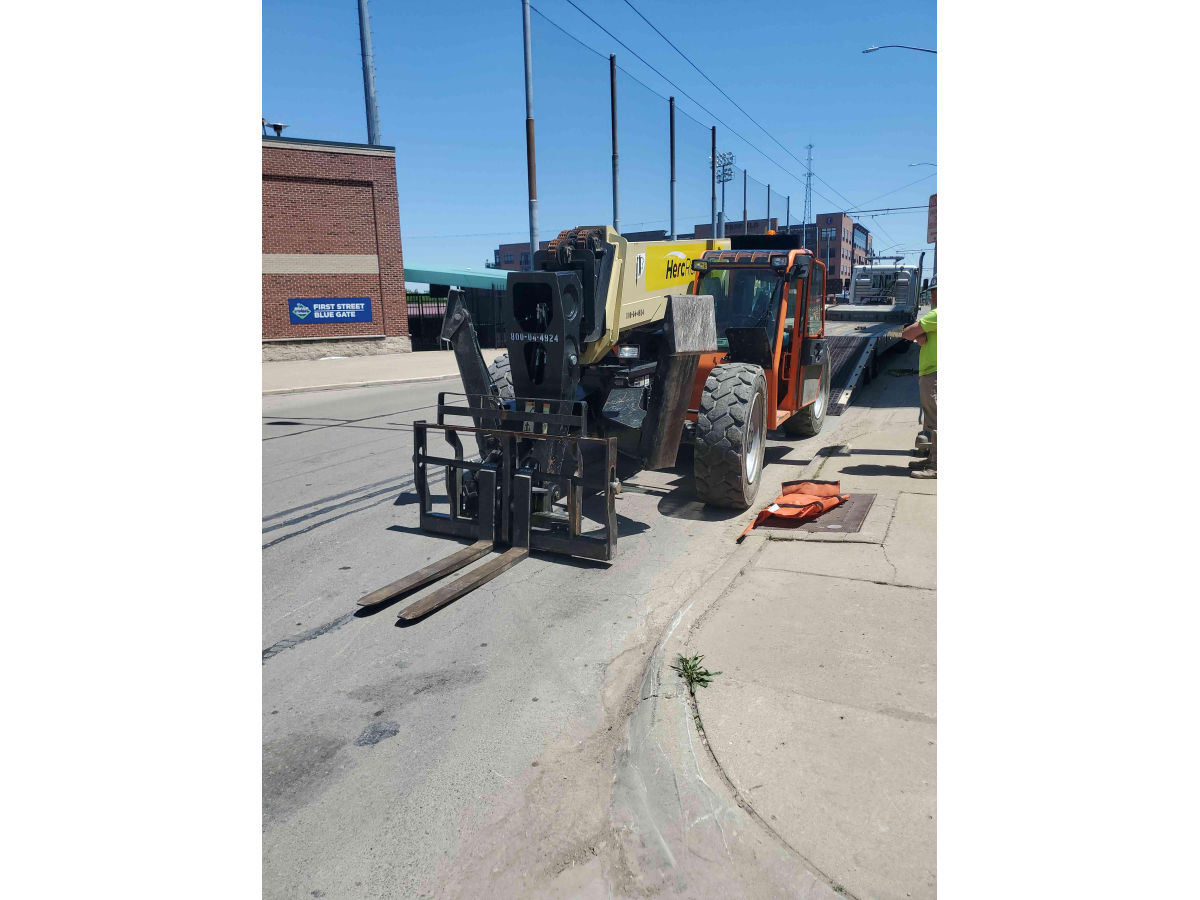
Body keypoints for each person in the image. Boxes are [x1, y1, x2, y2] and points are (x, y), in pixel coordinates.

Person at [901, 279, 936, 478]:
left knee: (935, 420)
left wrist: (917, 335)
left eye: (933, 291)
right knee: (932, 420)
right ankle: (932, 459)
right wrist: (920, 335)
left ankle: (936, 465)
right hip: (932, 371)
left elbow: (907, 332)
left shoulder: (936, 315)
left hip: (934, 372)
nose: (931, 296)